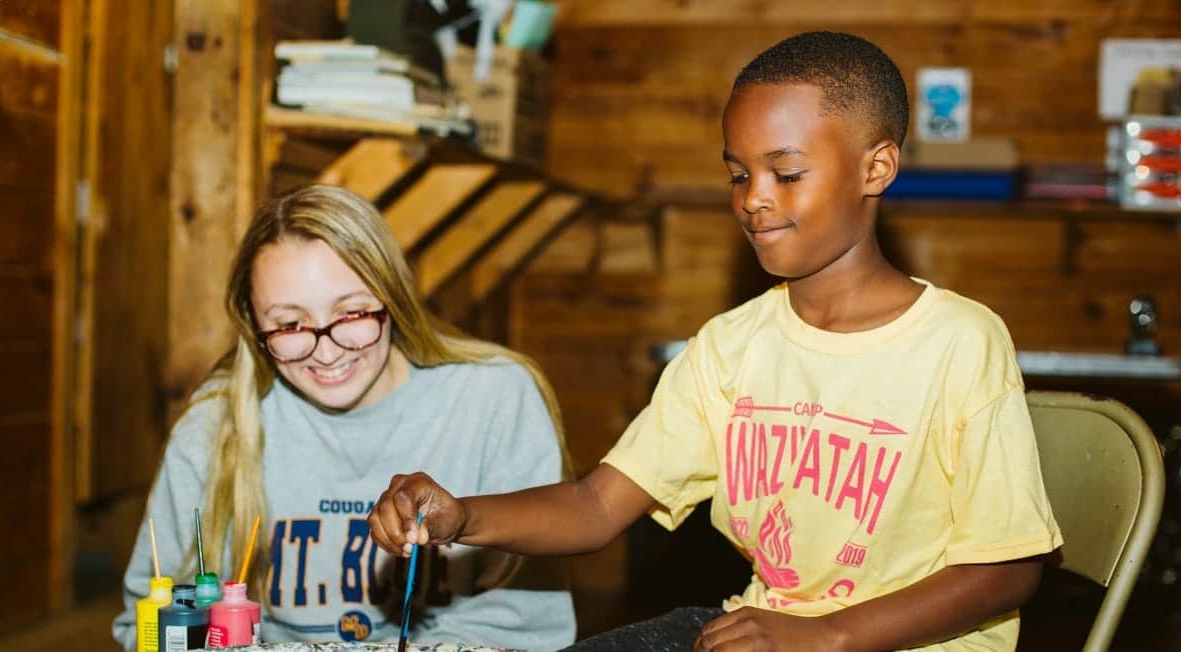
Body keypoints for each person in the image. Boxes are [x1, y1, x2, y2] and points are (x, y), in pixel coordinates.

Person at [369, 31, 1063, 651]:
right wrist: (463, 515)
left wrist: (826, 636)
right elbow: (595, 507)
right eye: (738, 174)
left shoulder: (959, 342)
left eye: (786, 174)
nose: (752, 198)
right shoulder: (731, 347)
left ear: (876, 168)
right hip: (760, 628)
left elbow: (1006, 570)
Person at [112, 185, 575, 650]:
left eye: (352, 313)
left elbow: (523, 623)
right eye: (290, 325)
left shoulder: (496, 397)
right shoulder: (217, 420)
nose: (328, 350)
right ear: (254, 326)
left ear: (393, 297)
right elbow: (148, 623)